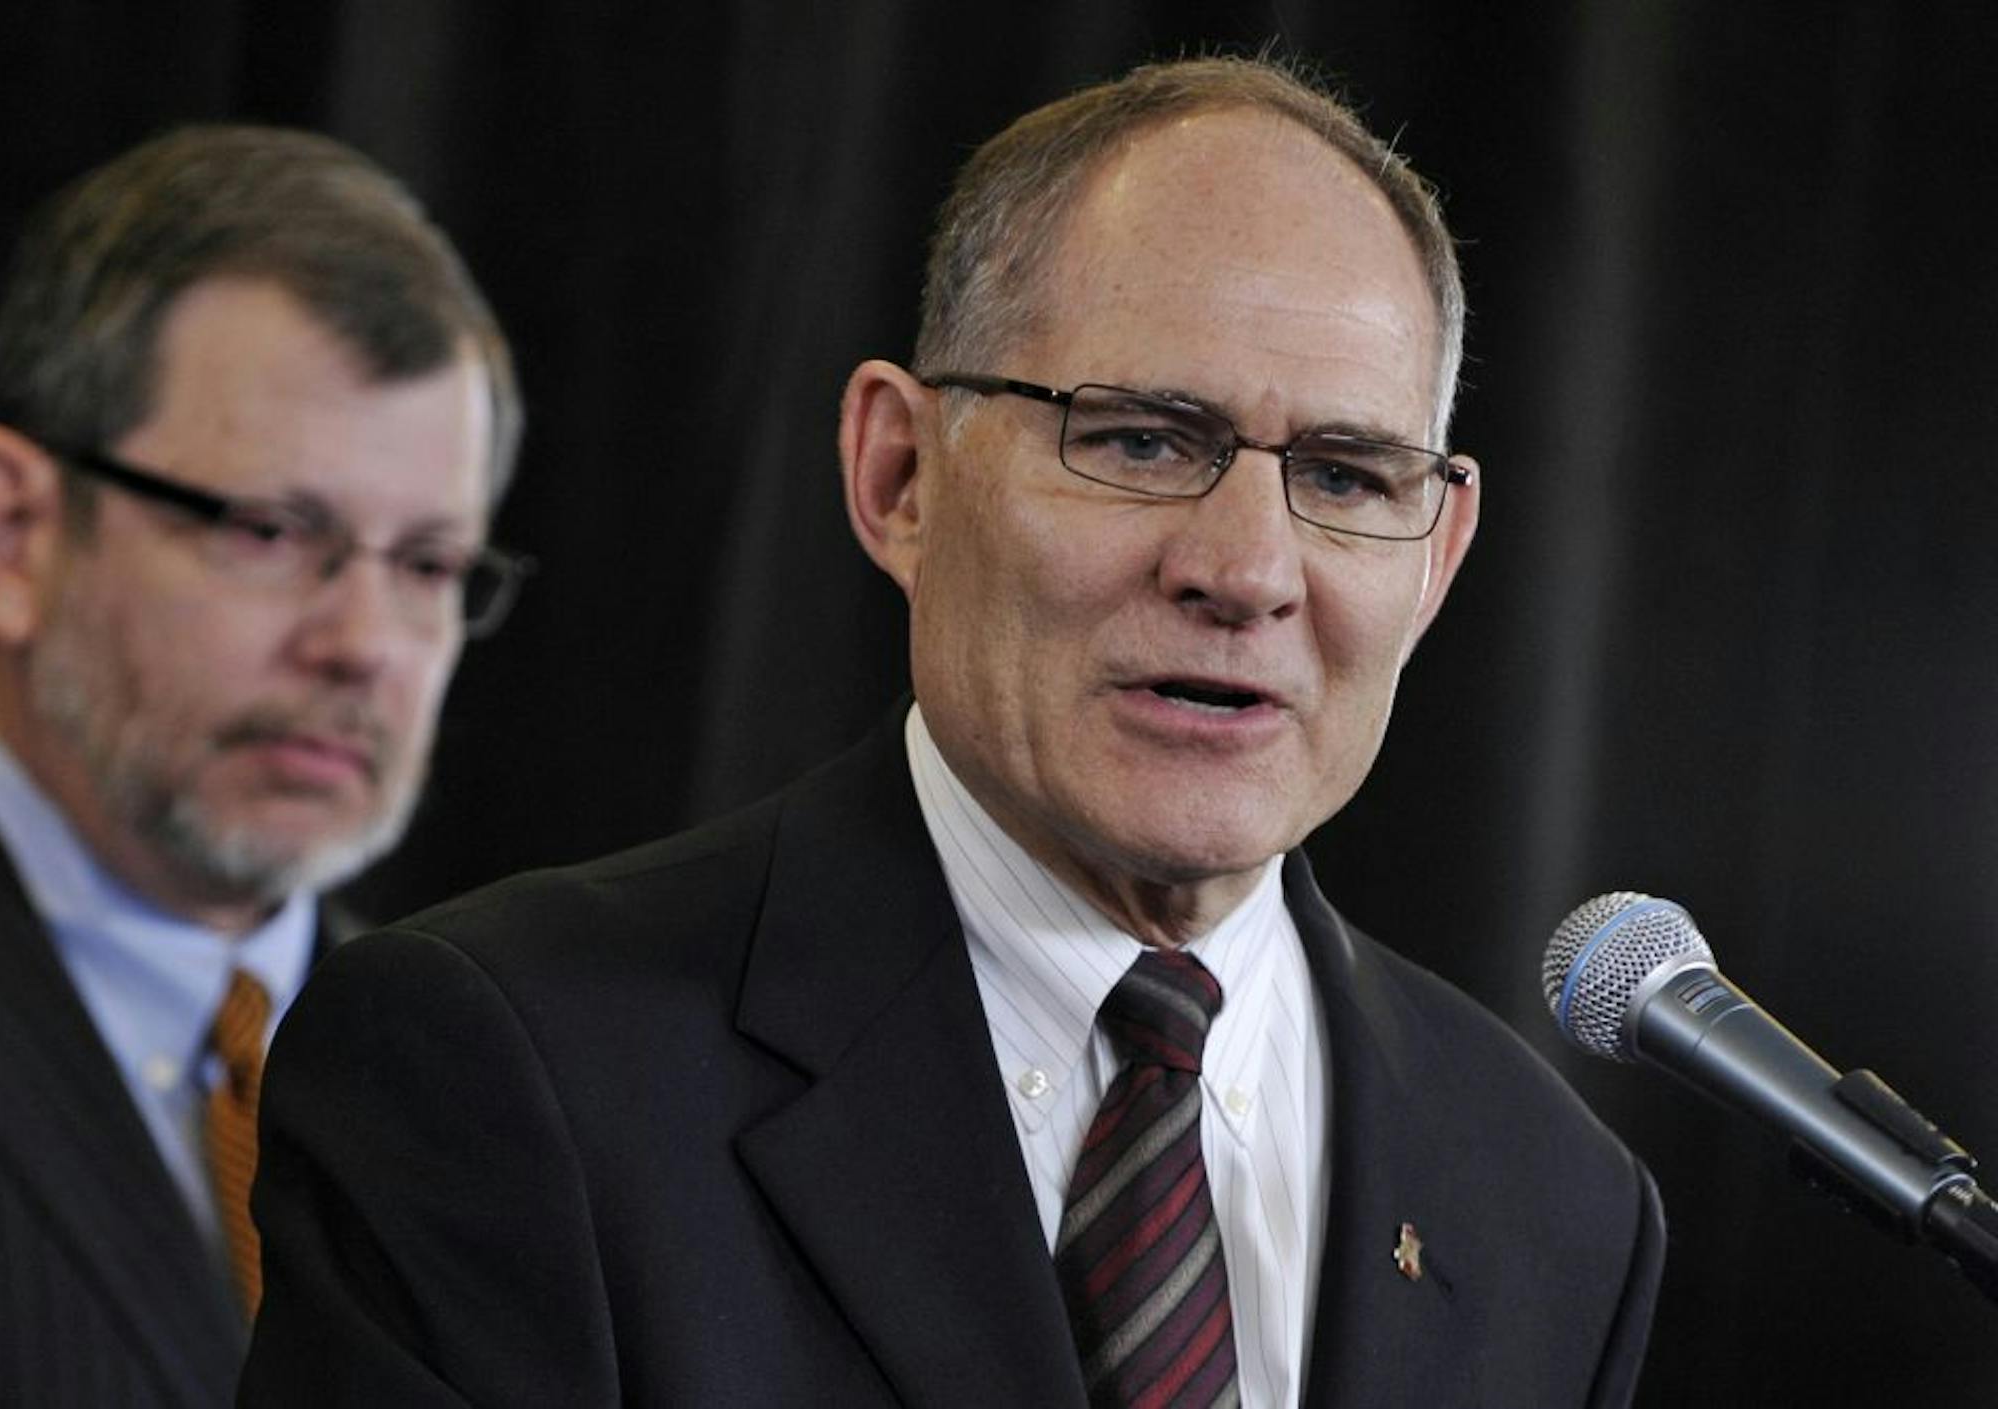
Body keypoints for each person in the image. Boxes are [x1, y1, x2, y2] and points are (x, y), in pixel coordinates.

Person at [242, 54, 1662, 1408]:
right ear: (900, 474)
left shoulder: (1552, 1202)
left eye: (1348, 476)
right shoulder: (510, 1075)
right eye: (1141, 439)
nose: (1244, 570)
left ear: (1436, 560)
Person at [0, 125, 528, 1409]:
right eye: (272, 530)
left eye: (428, 564)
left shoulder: (496, 1080)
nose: (366, 646)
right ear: (14, 532)